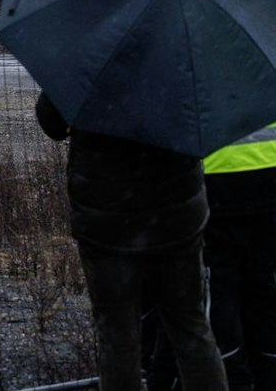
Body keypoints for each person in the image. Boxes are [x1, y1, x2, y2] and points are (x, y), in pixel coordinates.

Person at [36, 92, 228, 391]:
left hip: (106, 218)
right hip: (175, 213)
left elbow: (52, 123)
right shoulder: (180, 58)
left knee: (117, 333)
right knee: (190, 327)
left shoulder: (88, 61)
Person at [144, 120, 276, 390]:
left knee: (217, 311)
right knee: (264, 304)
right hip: (268, 184)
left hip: (212, 189)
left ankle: (233, 378)